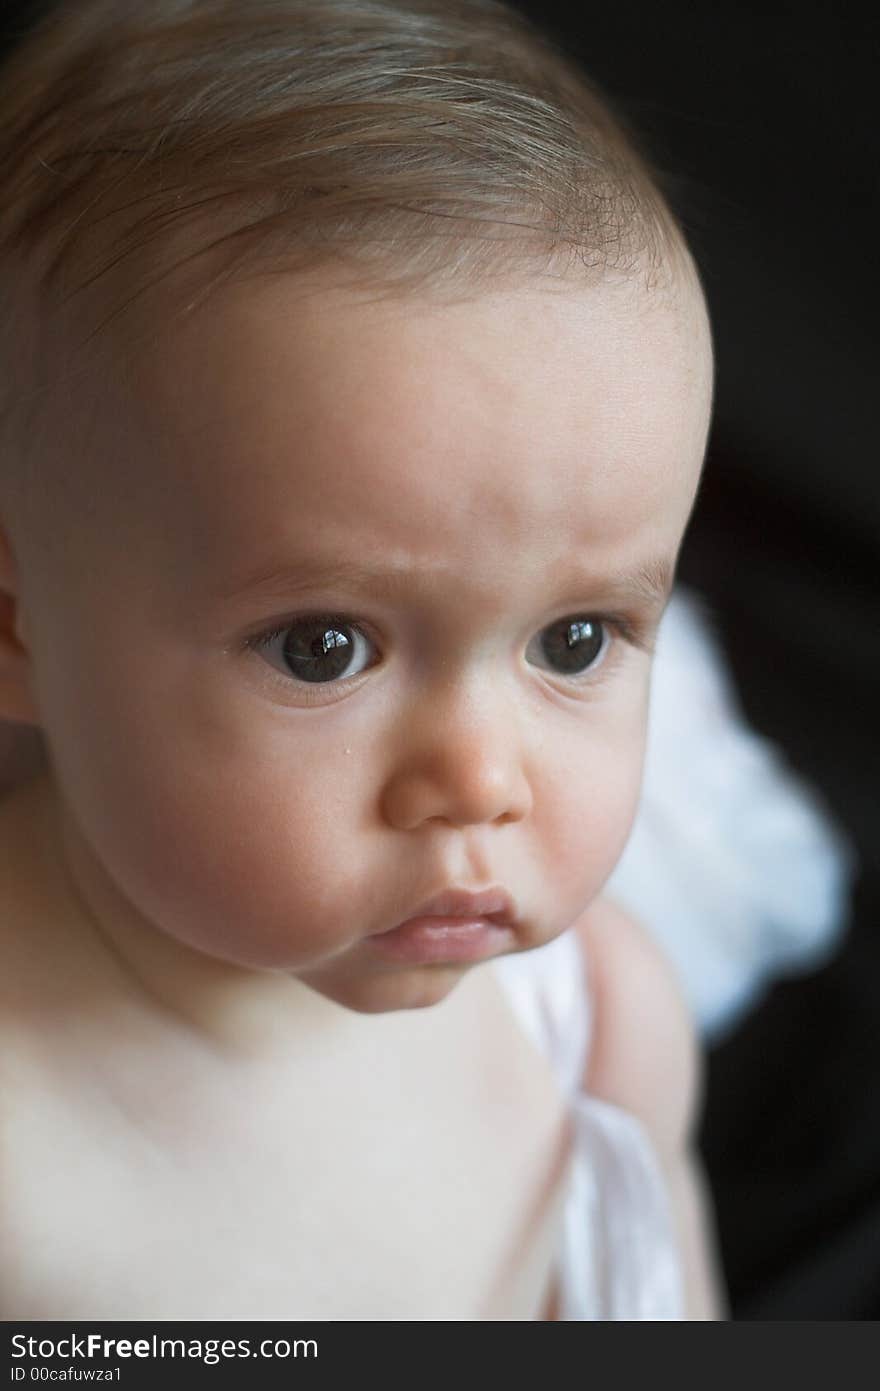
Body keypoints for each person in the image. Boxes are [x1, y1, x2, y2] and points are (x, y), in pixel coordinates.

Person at [0, 0, 724, 1319]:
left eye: (576, 639)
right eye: (323, 648)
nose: (478, 779)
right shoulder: (28, 1175)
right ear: (17, 626)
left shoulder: (596, 1024)